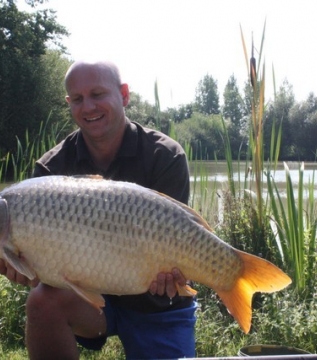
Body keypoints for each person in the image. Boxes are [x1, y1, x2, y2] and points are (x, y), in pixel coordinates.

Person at [0, 60, 197, 359]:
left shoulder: (164, 155)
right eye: (77, 99)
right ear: (69, 104)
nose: (88, 107)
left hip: (158, 305)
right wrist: (26, 270)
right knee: (41, 302)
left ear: (124, 95)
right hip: (89, 302)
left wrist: (174, 273)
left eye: (97, 94)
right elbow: (44, 274)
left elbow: (178, 238)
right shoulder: (51, 168)